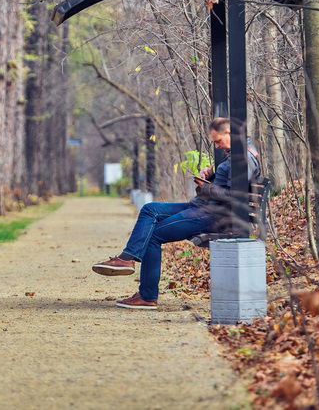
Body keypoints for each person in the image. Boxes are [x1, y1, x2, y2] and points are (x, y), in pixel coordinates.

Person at [91, 117, 261, 310]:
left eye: (218, 141)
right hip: (204, 208)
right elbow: (228, 182)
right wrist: (210, 174)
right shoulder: (235, 154)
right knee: (150, 209)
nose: (217, 145)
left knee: (153, 235)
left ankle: (147, 296)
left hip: (214, 215)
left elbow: (235, 197)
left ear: (229, 133)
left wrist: (206, 188)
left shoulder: (243, 159)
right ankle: (127, 258)